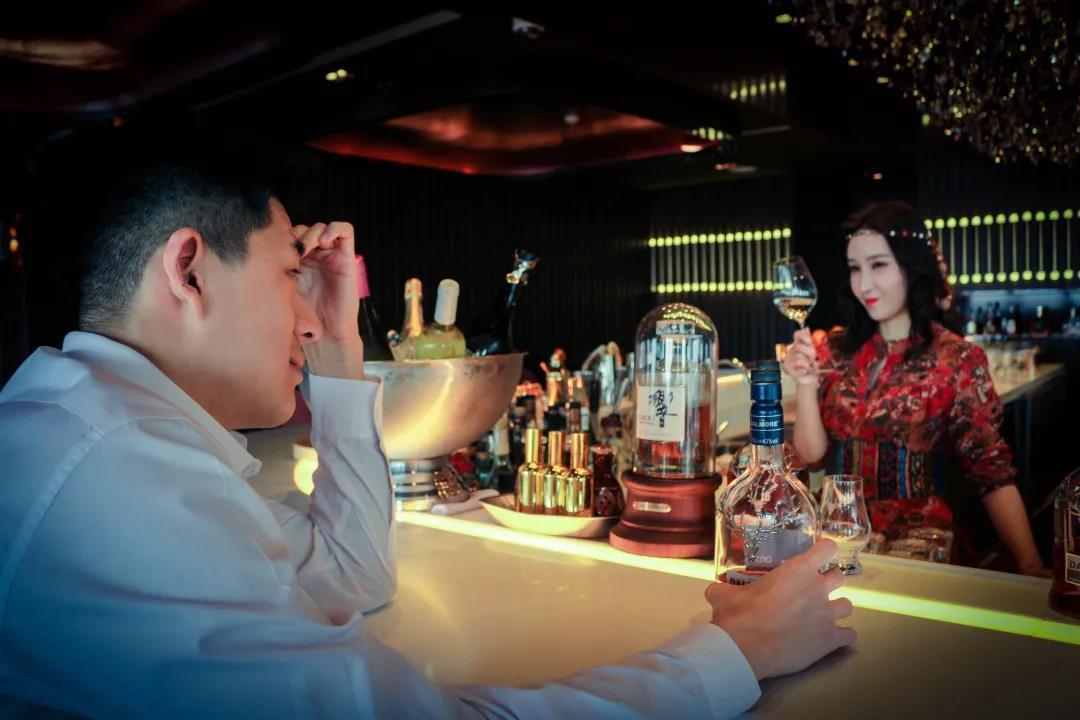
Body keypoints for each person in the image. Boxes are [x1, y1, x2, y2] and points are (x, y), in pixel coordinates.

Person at [0, 160, 854, 718]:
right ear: (189, 271)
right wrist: (736, 653)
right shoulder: (112, 478)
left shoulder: (118, 437)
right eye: (289, 275)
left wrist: (338, 347)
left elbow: (352, 578)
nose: (306, 314)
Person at [783, 201, 1045, 575]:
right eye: (855, 268)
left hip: (921, 545)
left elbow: (991, 472)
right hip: (837, 539)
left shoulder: (956, 358)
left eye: (878, 265)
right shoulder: (834, 351)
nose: (864, 284)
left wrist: (1031, 565)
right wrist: (806, 385)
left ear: (912, 267)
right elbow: (811, 457)